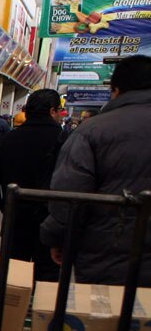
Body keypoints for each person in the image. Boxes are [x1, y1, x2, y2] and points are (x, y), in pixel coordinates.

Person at [42, 55, 151, 285]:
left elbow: (70, 195)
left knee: (106, 315)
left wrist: (58, 238)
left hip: (108, 255)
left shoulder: (92, 131)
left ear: (116, 89)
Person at [0, 88, 64, 282]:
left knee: (13, 275)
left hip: (15, 217)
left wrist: (5, 206)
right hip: (50, 220)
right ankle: (41, 312)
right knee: (47, 276)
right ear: (52, 111)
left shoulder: (9, 139)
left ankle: (10, 311)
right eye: (60, 110)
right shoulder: (65, 140)